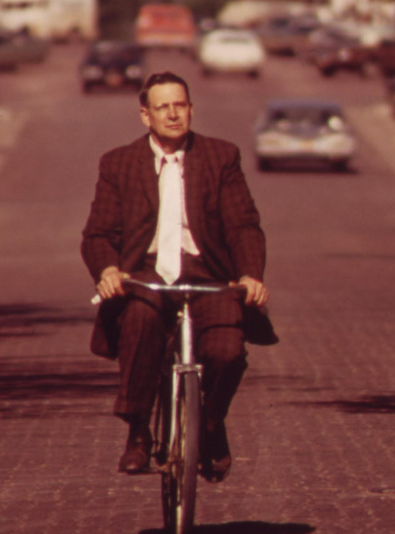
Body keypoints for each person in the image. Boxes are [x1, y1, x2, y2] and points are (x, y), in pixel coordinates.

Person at [82, 71, 276, 482]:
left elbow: (243, 225)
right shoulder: (118, 163)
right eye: (162, 107)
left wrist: (249, 274)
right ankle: (138, 431)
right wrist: (108, 270)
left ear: (191, 109)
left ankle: (209, 423)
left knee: (227, 352)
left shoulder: (220, 156)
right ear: (145, 115)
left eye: (180, 105)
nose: (172, 114)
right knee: (140, 319)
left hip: (208, 274)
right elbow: (99, 233)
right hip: (147, 273)